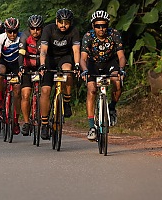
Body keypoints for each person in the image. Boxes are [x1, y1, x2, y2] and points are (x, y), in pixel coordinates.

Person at [80, 10, 127, 141]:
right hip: (93, 64)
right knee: (92, 90)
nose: (101, 29)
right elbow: (82, 58)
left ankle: (111, 108)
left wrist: (121, 69)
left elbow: (121, 56)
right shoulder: (88, 36)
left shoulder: (114, 34)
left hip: (109, 63)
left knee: (117, 81)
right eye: (98, 26)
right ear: (93, 26)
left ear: (108, 25)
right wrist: (84, 70)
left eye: (104, 25)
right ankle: (91, 127)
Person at [38, 8, 81, 140]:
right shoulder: (48, 29)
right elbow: (44, 49)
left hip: (64, 57)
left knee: (68, 70)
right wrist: (42, 64)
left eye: (66, 22)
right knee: (45, 90)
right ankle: (44, 124)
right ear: (56, 21)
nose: (63, 25)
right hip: (50, 59)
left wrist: (78, 64)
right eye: (61, 22)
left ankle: (66, 101)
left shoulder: (74, 31)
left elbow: (76, 50)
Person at [0, 17, 24, 135]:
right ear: (5, 30)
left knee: (17, 91)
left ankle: (15, 120)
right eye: (9, 31)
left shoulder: (22, 38)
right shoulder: (0, 38)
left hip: (16, 64)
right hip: (4, 62)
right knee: (1, 71)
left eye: (15, 31)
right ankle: (0, 100)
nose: (12, 34)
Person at [18, 15, 44, 134]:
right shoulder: (24, 36)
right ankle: (27, 122)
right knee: (26, 94)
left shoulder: (45, 36)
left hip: (41, 66)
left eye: (38, 29)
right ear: (29, 28)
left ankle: (44, 119)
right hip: (27, 66)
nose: (35, 31)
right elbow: (21, 53)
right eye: (33, 29)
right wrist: (21, 67)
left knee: (45, 93)